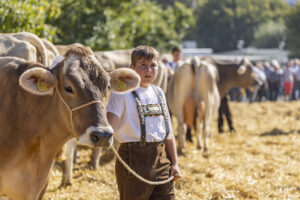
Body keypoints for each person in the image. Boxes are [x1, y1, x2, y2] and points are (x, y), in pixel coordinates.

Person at [107, 46, 181, 200]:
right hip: (133, 158)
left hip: (162, 159)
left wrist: (174, 163)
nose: (149, 70)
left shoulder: (158, 92)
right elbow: (109, 124)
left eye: (153, 65)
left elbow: (168, 132)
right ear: (131, 68)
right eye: (143, 65)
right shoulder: (121, 93)